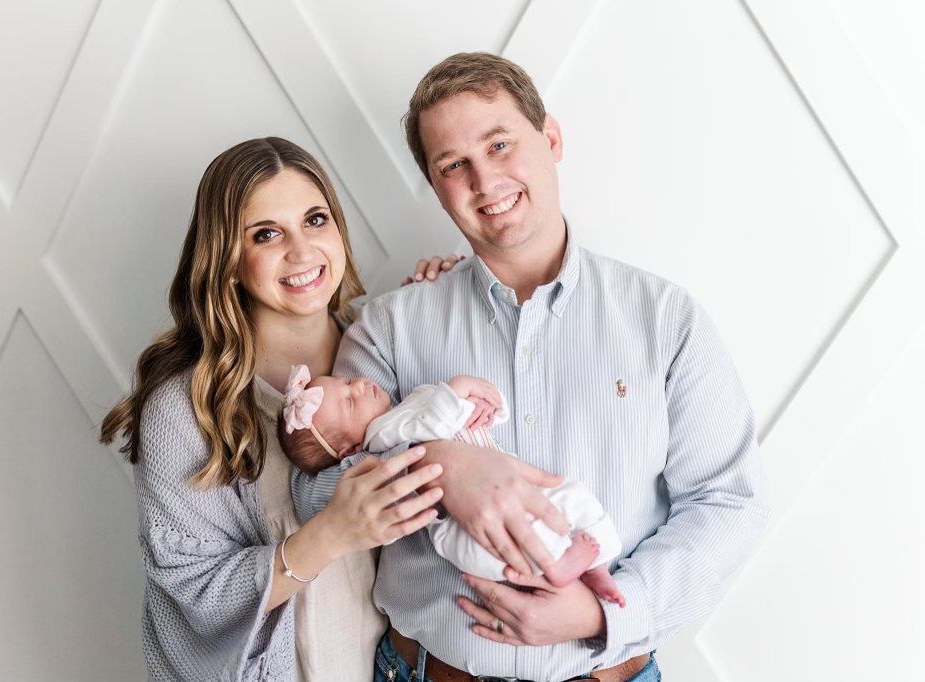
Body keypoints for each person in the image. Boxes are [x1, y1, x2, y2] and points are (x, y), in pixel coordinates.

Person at [294, 52, 771, 682]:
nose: (485, 182)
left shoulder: (666, 321)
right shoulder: (388, 326)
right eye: (453, 166)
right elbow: (320, 492)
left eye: (499, 145)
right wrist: (445, 465)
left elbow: (728, 503)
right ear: (436, 189)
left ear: (550, 138)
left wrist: (602, 615)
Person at [99, 137, 461, 681]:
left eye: (315, 220)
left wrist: (446, 298)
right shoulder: (187, 407)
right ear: (226, 259)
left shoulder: (392, 343)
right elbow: (193, 591)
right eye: (266, 234)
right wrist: (334, 532)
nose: (301, 250)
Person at [277, 364, 625, 600]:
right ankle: (557, 567)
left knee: (570, 496)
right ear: (351, 449)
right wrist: (456, 391)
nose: (359, 385)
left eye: (346, 382)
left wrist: (486, 407)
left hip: (513, 482)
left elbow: (452, 411)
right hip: (458, 527)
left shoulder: (409, 402)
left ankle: (597, 563)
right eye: (351, 402)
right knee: (496, 546)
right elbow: (428, 426)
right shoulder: (379, 438)